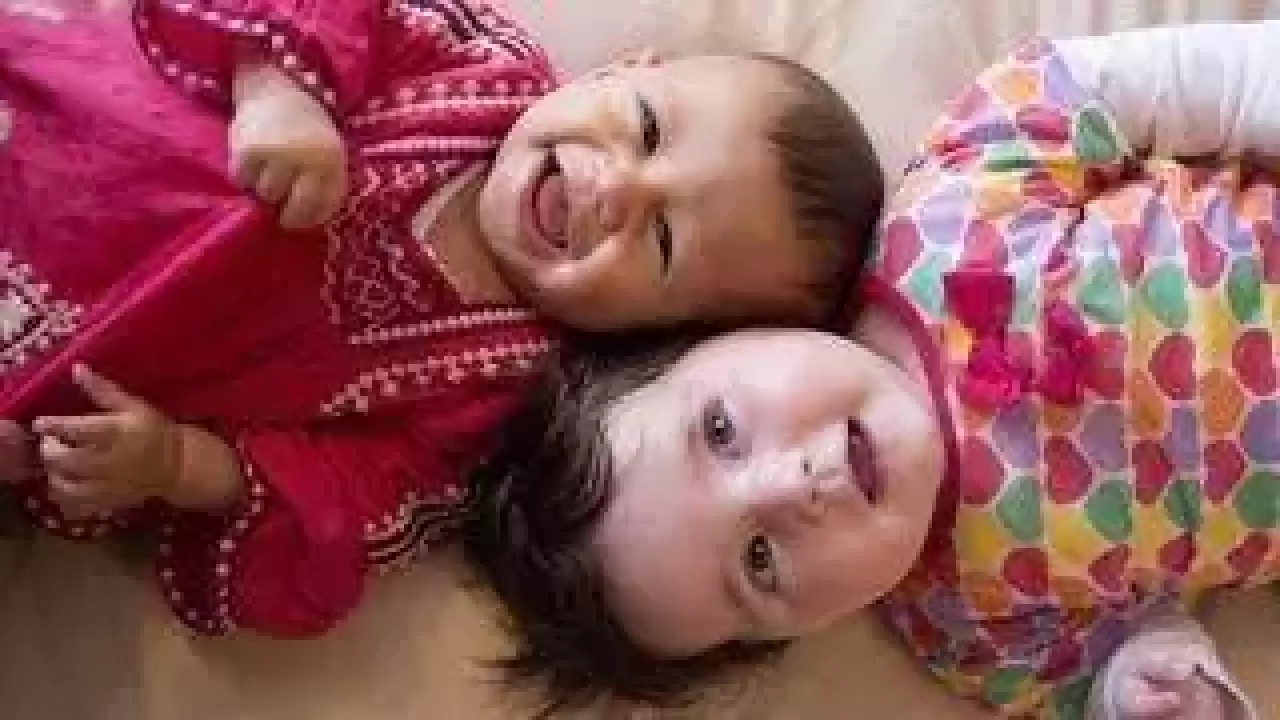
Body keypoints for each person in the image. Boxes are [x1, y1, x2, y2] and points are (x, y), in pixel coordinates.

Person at [462, 21, 1280, 719]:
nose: (792, 488)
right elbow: (1110, 656)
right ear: (795, 631)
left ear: (719, 333)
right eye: (759, 562)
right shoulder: (965, 626)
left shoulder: (952, 202)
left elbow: (1140, 86)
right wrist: (1150, 684)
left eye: (720, 430)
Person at [0, 0, 884, 636]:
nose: (616, 189)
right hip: (63, 114)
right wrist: (279, 86)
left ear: (645, 333)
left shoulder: (494, 400)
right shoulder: (477, 59)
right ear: (624, 70)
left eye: (662, 243)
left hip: (64, 367)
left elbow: (350, 509)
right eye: (647, 129)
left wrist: (176, 463)